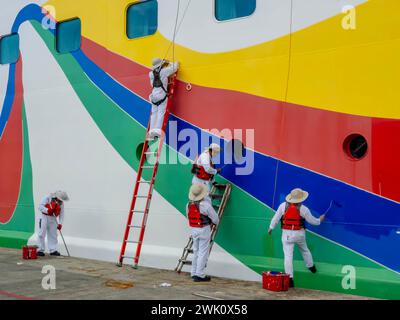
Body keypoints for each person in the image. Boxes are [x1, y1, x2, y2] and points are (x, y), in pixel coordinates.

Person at [268, 188, 325, 288]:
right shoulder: (304, 209)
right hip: (299, 235)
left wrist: (271, 228)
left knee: (288, 256)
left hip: (287, 236)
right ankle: (311, 267)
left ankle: (290, 280)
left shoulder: (283, 206)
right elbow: (313, 221)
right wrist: (320, 219)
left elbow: (276, 218)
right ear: (301, 199)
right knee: (304, 250)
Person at [187, 184, 219, 282]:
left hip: (194, 229)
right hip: (204, 229)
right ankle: (200, 274)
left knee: (196, 251)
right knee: (203, 252)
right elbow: (215, 219)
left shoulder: (188, 205)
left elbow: (188, 216)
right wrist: (214, 223)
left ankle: (193, 272)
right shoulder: (205, 205)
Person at [148, 58, 180, 138]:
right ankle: (157, 131)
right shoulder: (164, 71)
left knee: (154, 114)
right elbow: (175, 66)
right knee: (160, 113)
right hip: (161, 95)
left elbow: (152, 85)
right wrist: (169, 62)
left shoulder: (151, 74)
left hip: (153, 96)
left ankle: (151, 132)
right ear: (161, 65)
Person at [37, 190, 69, 257]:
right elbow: (40, 206)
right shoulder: (47, 197)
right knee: (41, 233)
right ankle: (40, 250)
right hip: (44, 217)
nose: (61, 202)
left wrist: (60, 223)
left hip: (53, 219)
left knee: (53, 235)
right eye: (60, 200)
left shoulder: (61, 203)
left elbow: (62, 214)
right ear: (57, 197)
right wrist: (47, 210)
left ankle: (53, 250)